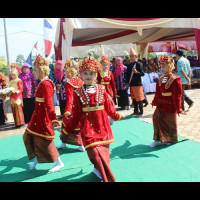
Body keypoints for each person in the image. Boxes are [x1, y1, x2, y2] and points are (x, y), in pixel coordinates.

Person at [61, 58, 123, 182]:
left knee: (104, 153)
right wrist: (67, 130)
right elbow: (75, 115)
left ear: (96, 75)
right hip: (88, 128)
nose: (88, 76)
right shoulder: (77, 93)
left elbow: (109, 109)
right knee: (95, 153)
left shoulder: (102, 89)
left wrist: (118, 116)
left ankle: (99, 169)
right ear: (81, 75)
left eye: (91, 73)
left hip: (103, 126)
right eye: (85, 73)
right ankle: (106, 176)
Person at [23, 54, 64, 172]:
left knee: (44, 140)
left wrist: (54, 119)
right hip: (37, 116)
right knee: (29, 137)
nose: (33, 72)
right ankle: (37, 158)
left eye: (35, 70)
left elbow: (48, 104)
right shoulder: (42, 82)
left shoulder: (46, 84)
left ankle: (59, 162)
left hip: (42, 117)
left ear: (42, 70)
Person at [150, 55, 187, 148]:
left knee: (168, 123)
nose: (162, 69)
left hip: (170, 104)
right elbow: (158, 93)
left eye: (164, 66)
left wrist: (179, 108)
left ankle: (169, 139)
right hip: (161, 104)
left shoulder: (175, 79)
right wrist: (154, 101)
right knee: (156, 118)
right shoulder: (160, 79)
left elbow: (177, 95)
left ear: (170, 66)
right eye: (161, 67)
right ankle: (156, 139)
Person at [58, 59, 85, 152]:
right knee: (79, 125)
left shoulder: (69, 84)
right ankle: (67, 142)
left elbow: (70, 99)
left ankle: (77, 144)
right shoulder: (81, 81)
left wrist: (68, 110)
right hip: (81, 107)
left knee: (67, 123)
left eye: (65, 70)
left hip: (72, 107)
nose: (64, 72)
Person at [126, 47, 145, 116]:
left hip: (138, 84)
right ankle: (135, 111)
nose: (131, 58)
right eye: (130, 56)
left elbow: (142, 74)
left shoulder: (138, 64)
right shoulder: (129, 65)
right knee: (133, 98)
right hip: (132, 84)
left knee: (139, 98)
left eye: (132, 56)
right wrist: (127, 82)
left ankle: (141, 111)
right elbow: (127, 75)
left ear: (135, 57)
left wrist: (137, 72)